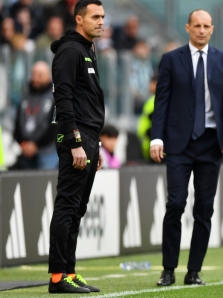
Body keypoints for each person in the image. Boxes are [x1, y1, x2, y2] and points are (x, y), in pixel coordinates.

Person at [150, 9, 223, 287]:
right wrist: (157, 138)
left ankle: (194, 271)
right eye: (197, 26)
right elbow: (161, 102)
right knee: (175, 204)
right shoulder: (170, 60)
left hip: (211, 143)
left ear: (212, 29)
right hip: (178, 143)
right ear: (188, 27)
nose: (201, 30)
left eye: (206, 26)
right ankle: (168, 269)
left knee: (204, 208)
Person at [47, 0, 105, 294]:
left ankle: (69, 271)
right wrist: (76, 142)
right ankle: (57, 277)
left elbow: (88, 101)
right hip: (77, 140)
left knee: (77, 209)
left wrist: (98, 145)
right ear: (79, 19)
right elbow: (64, 99)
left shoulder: (87, 50)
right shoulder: (71, 51)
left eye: (103, 16)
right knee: (67, 206)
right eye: (95, 16)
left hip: (89, 139)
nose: (101, 21)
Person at [12, 61, 58, 170]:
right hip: (26, 150)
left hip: (47, 151)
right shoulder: (25, 96)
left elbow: (55, 126)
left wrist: (36, 145)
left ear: (48, 77)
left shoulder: (54, 97)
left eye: (40, 75)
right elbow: (18, 123)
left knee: (44, 179)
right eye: (34, 74)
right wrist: (23, 143)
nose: (36, 78)